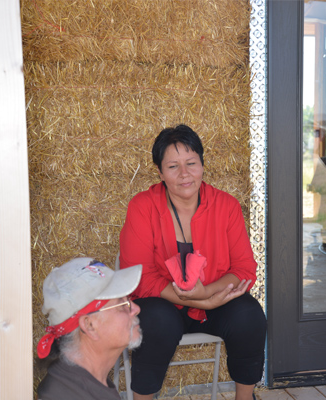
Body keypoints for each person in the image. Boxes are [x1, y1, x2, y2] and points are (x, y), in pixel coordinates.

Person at [119, 124, 267, 400]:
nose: (185, 174)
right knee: (157, 321)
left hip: (215, 303)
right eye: (173, 166)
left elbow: (244, 269)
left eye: (191, 163)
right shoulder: (142, 206)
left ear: (202, 164)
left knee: (249, 314)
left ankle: (245, 398)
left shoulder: (227, 206)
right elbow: (136, 275)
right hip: (164, 305)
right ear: (160, 172)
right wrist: (201, 300)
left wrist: (208, 295)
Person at [35, 257, 144, 400]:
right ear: (89, 325)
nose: (136, 309)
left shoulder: (79, 384)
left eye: (129, 300)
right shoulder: (69, 394)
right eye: (121, 305)